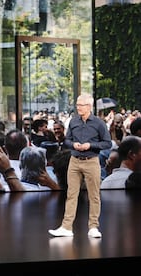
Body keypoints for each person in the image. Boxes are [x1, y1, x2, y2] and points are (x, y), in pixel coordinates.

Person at [49, 94, 112, 238]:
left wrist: (91, 145)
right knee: (71, 194)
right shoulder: (73, 121)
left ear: (89, 106)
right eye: (77, 104)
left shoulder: (98, 123)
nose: (78, 107)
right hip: (74, 160)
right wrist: (73, 145)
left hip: (91, 161)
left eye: (81, 105)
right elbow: (67, 140)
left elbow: (107, 143)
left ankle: (93, 227)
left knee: (94, 195)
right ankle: (66, 227)